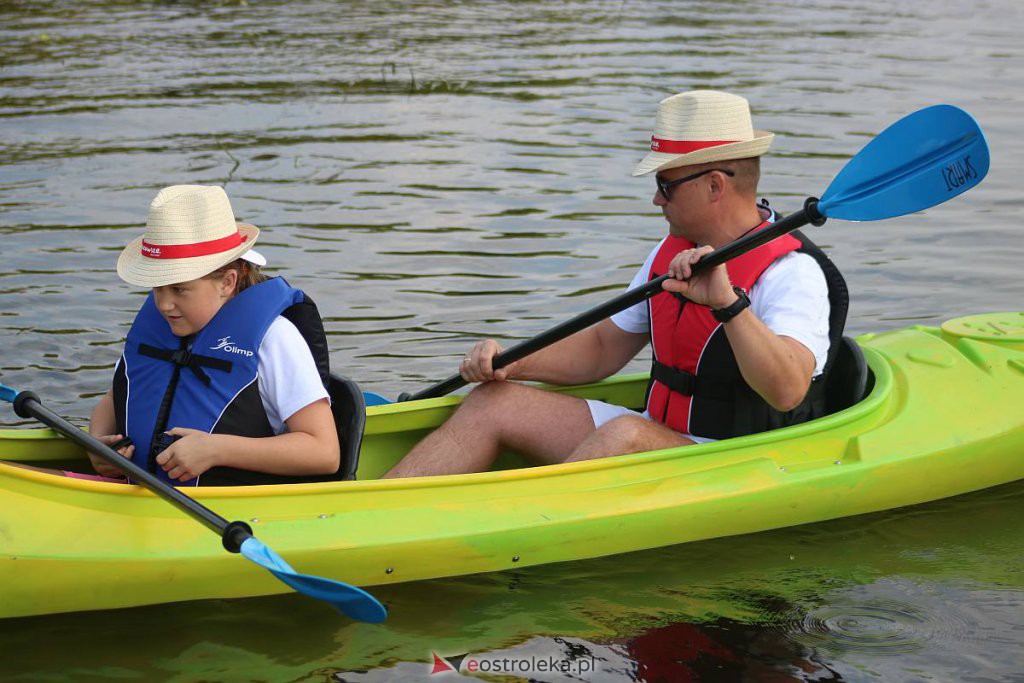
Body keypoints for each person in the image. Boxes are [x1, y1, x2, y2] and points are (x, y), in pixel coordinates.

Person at [384, 90, 848, 479]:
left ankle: (498, 536)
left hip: (738, 461)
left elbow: (788, 390)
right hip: (660, 434)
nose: (654, 198)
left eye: (665, 184)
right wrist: (511, 363)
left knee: (623, 437)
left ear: (713, 186)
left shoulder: (792, 273)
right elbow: (603, 348)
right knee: (493, 403)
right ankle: (371, 513)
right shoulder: (669, 252)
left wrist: (727, 303)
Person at [79, 184, 341, 486]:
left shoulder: (275, 339)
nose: (164, 304)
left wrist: (218, 450)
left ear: (227, 282)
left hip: (236, 512)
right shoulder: (160, 327)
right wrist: (97, 441)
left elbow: (324, 451)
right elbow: (114, 400)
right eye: (157, 288)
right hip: (140, 497)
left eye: (179, 289)